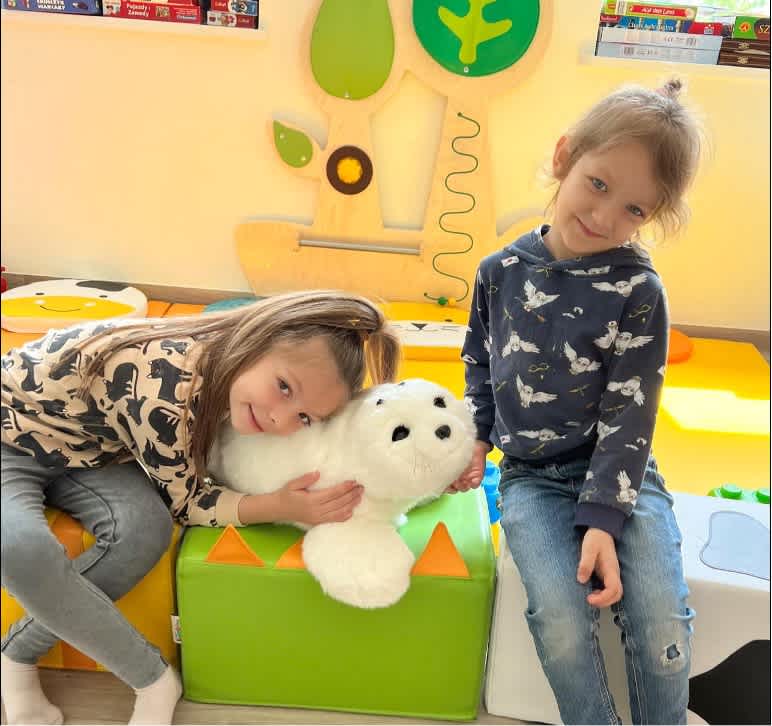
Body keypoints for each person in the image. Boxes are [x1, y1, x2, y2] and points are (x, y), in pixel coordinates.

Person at [1, 290, 400, 725]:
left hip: (93, 451)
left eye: (304, 418)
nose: (280, 419)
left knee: (143, 530)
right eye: (284, 387)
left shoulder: (232, 377)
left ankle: (17, 650)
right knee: (18, 547)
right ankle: (149, 678)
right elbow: (189, 502)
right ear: (254, 341)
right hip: (8, 437)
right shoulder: (165, 384)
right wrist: (280, 505)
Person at [452, 79, 702, 724]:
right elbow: (480, 360)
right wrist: (477, 435)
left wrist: (603, 519)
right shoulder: (498, 273)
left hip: (620, 473)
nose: (605, 216)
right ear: (565, 156)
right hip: (531, 477)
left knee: (663, 627)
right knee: (560, 624)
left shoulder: (639, 290)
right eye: (598, 184)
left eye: (634, 209)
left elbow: (630, 412)